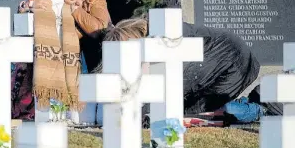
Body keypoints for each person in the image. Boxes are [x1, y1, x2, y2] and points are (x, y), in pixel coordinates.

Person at [102, 17, 282, 123]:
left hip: (229, 62)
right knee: (185, 111)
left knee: (187, 112)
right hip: (228, 60)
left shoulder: (163, 36)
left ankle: (255, 109)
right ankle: (247, 107)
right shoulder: (153, 36)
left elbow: (165, 89)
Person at [11, 0, 111, 120]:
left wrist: (74, 9)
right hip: (55, 52)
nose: (80, 0)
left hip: (88, 52)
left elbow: (99, 29)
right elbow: (27, 22)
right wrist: (27, 8)